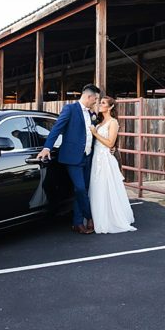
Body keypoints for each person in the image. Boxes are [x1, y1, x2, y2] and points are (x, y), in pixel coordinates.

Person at [37, 83, 100, 234]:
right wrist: (47, 147)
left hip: (88, 156)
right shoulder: (70, 109)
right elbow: (57, 128)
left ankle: (77, 223)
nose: (96, 102)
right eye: (95, 99)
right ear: (88, 96)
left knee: (82, 190)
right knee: (79, 188)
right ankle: (89, 216)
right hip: (72, 157)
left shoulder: (92, 114)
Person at [88, 95, 136, 234]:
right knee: (96, 188)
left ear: (110, 107)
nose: (100, 105)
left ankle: (110, 219)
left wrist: (95, 133)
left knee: (106, 188)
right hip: (96, 158)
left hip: (105, 160)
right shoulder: (99, 121)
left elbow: (110, 143)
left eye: (103, 103)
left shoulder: (113, 122)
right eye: (100, 102)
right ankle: (97, 217)